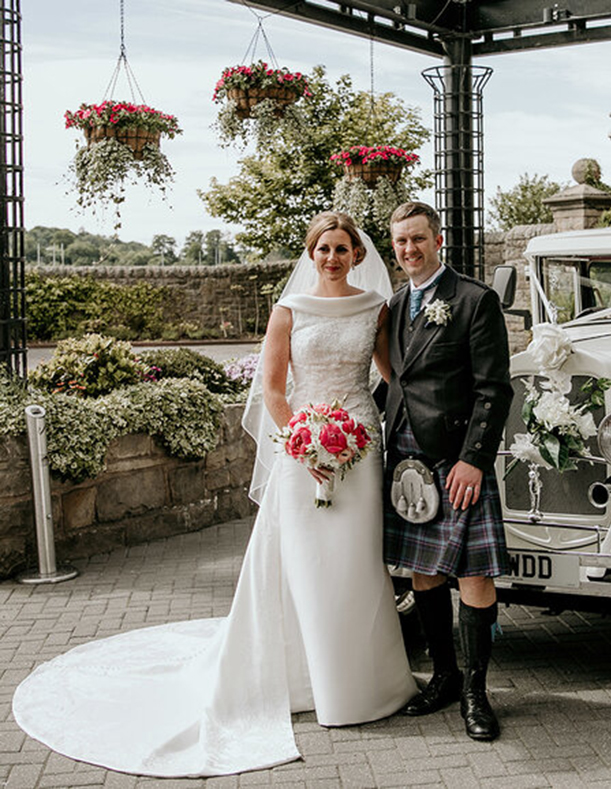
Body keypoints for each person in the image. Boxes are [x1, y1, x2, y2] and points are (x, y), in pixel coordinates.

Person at [12, 212, 417, 777]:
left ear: (356, 254)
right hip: (303, 448)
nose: (331, 258)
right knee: (304, 561)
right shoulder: (289, 310)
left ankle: (364, 680)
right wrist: (300, 443)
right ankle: (304, 679)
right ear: (311, 254)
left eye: (341, 249)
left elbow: (390, 374)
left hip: (360, 445)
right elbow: (274, 389)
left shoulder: (375, 307)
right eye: (322, 248)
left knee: (356, 562)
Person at [383, 201, 513, 742]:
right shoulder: (392, 306)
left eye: (417, 239)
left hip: (457, 456)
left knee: (475, 575)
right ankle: (443, 677)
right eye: (400, 242)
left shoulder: (474, 300)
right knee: (423, 572)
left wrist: (473, 459)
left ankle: (476, 695)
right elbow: (395, 378)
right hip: (407, 457)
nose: (409, 250)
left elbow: (494, 389)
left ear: (439, 240)